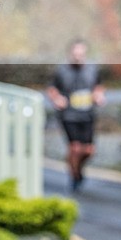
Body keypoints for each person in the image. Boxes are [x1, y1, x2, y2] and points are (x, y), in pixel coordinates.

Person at [47, 39, 105, 192]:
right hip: (69, 115)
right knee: (75, 148)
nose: (78, 57)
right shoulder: (62, 70)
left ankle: (76, 167)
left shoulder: (92, 69)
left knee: (88, 150)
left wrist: (98, 95)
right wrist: (57, 99)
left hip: (87, 114)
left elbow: (98, 86)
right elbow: (52, 89)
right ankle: (75, 176)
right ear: (70, 54)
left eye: (81, 54)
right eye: (75, 54)